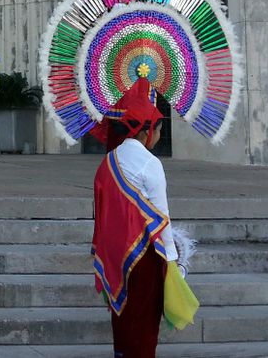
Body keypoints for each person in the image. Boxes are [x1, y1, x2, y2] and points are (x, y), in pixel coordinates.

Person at [91, 75, 177, 358]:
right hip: (144, 255)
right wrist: (175, 266)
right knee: (144, 323)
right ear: (146, 130)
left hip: (115, 254)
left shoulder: (109, 160)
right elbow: (162, 216)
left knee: (123, 316)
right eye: (159, 128)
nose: (160, 135)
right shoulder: (150, 164)